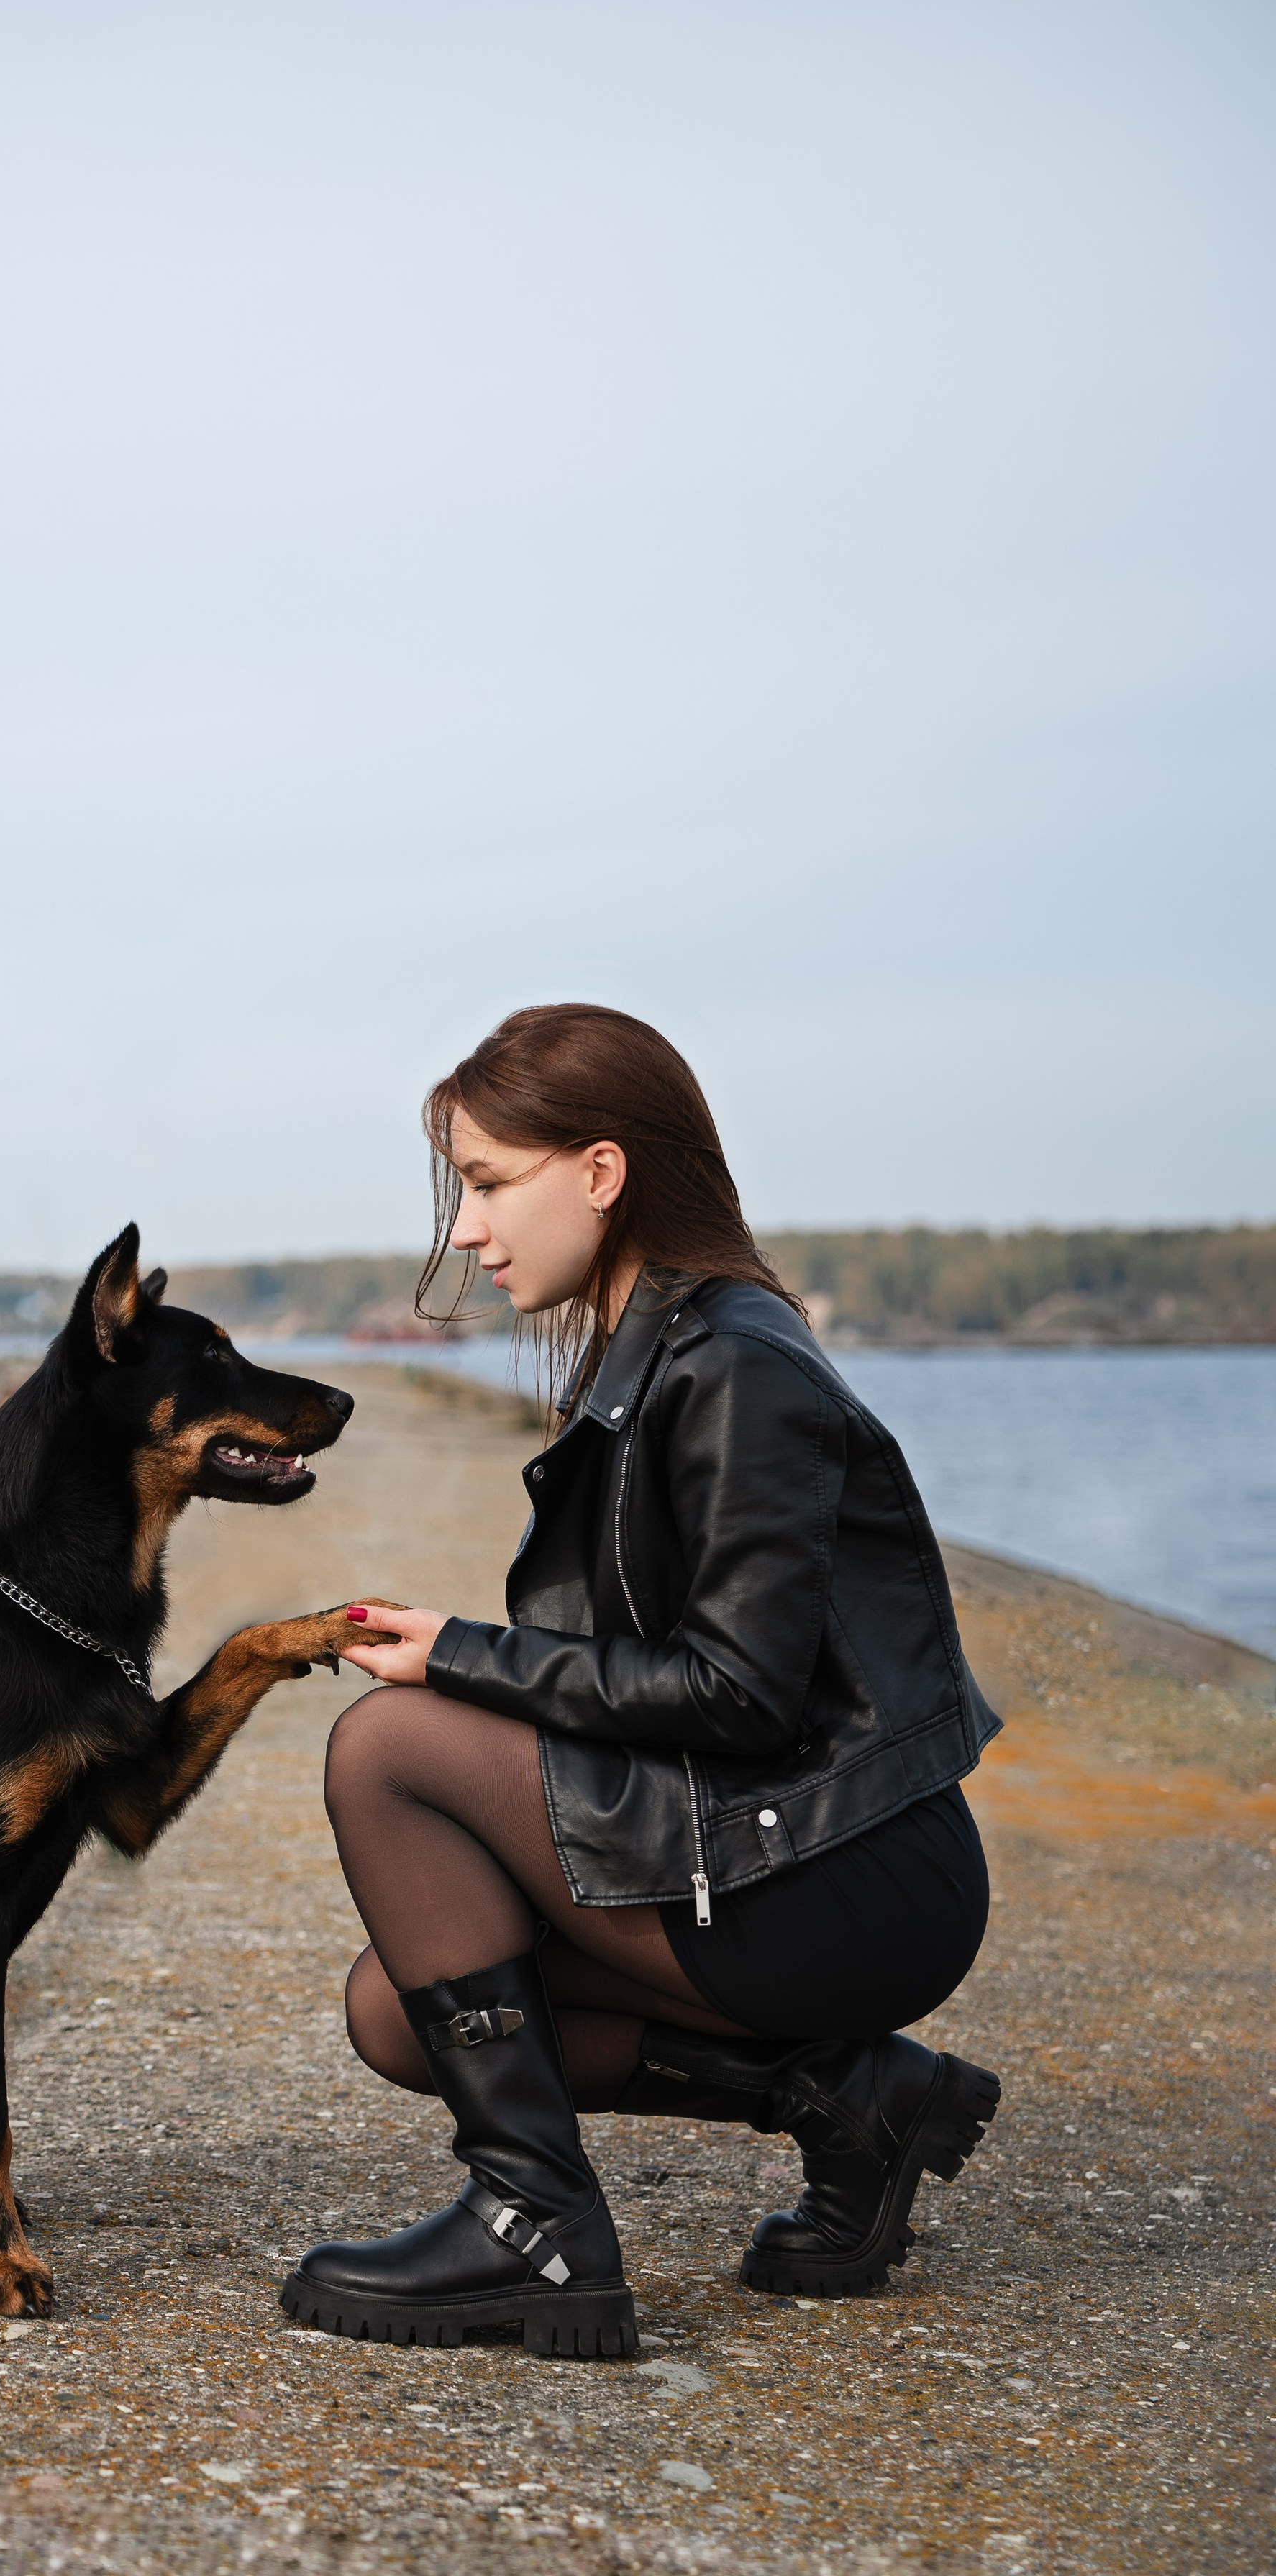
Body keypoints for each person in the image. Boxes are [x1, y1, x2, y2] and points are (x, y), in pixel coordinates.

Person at [281, 1003, 1002, 2354]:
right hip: (765, 1835)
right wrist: (470, 1664)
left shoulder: (736, 1365)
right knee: (401, 2011)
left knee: (388, 1747)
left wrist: (463, 1655)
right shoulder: (653, 1352)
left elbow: (740, 1692)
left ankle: (535, 2225)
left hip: (853, 1869)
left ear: (601, 1172)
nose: (467, 1231)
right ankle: (848, 2101)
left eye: (490, 1184)